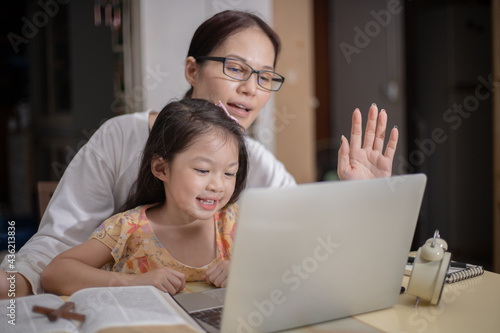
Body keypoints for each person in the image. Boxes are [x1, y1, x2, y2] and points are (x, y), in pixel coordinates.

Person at [0, 10, 397, 298]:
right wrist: (17, 284)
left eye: (264, 76)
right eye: (237, 69)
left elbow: (309, 248)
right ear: (193, 70)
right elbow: (57, 246)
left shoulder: (258, 163)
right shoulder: (121, 136)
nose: (251, 89)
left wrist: (364, 199)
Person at [41, 98, 247, 296]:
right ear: (161, 168)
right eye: (202, 170)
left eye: (229, 173)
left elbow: (276, 269)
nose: (218, 186)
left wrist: (243, 272)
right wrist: (134, 283)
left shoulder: (233, 222)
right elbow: (55, 273)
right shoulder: (128, 228)